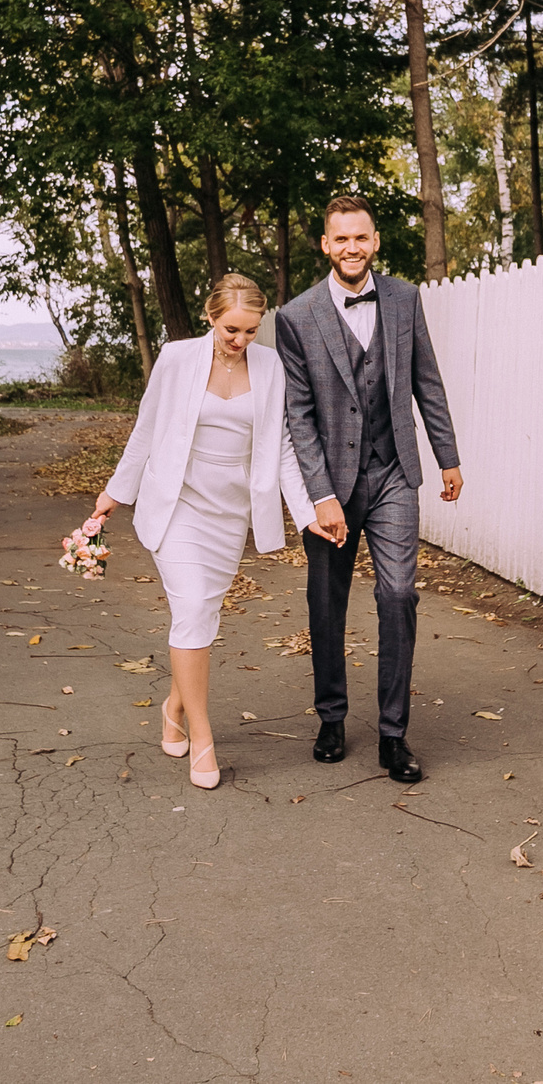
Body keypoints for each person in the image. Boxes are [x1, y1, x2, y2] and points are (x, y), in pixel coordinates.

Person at [94, 273, 316, 789]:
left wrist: (306, 515)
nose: (240, 341)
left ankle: (173, 705)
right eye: (231, 329)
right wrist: (113, 494)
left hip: (229, 513)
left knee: (202, 618)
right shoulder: (175, 359)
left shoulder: (271, 366)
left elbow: (281, 447)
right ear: (210, 317)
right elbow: (146, 428)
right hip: (178, 509)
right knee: (192, 610)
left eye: (251, 331)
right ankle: (203, 734)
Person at [273, 194, 462, 785]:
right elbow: (298, 415)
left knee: (399, 595)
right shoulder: (295, 316)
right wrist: (319, 495)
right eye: (341, 239)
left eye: (362, 238)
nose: (352, 248)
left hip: (393, 473)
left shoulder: (405, 299)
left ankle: (392, 734)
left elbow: (425, 380)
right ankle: (331, 717)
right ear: (325, 245)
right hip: (330, 483)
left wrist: (448, 456)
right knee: (326, 602)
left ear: (375, 241)